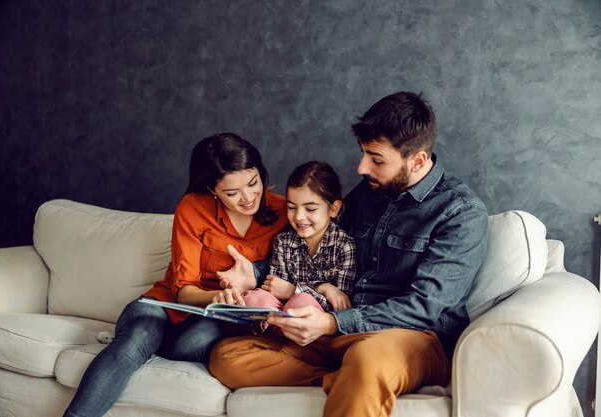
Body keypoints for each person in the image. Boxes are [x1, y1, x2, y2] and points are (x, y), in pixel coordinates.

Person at [208, 92, 489, 417]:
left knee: (368, 359)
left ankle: (360, 374)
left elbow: (424, 307)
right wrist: (256, 275)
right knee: (227, 357)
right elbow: (315, 242)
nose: (361, 167)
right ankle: (349, 379)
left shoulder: (460, 213)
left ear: (418, 160)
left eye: (376, 158)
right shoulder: (371, 192)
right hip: (344, 331)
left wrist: (330, 322)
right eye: (363, 154)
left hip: (412, 337)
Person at [63, 132, 288, 417]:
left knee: (194, 341)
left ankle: (153, 345)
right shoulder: (193, 208)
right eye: (232, 193)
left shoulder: (284, 210)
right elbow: (184, 291)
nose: (247, 198)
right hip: (168, 305)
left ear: (260, 172)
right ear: (212, 190)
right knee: (140, 332)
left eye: (253, 183)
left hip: (219, 321)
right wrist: (217, 297)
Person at [243, 161, 356, 318]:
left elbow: (338, 303)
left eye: (310, 209)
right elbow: (276, 289)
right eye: (291, 207)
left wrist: (293, 290)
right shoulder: (283, 242)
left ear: (334, 209)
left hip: (316, 320)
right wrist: (322, 288)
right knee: (254, 297)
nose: (298, 217)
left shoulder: (344, 246)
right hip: (282, 312)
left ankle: (284, 329)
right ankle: (274, 330)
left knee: (302, 301)